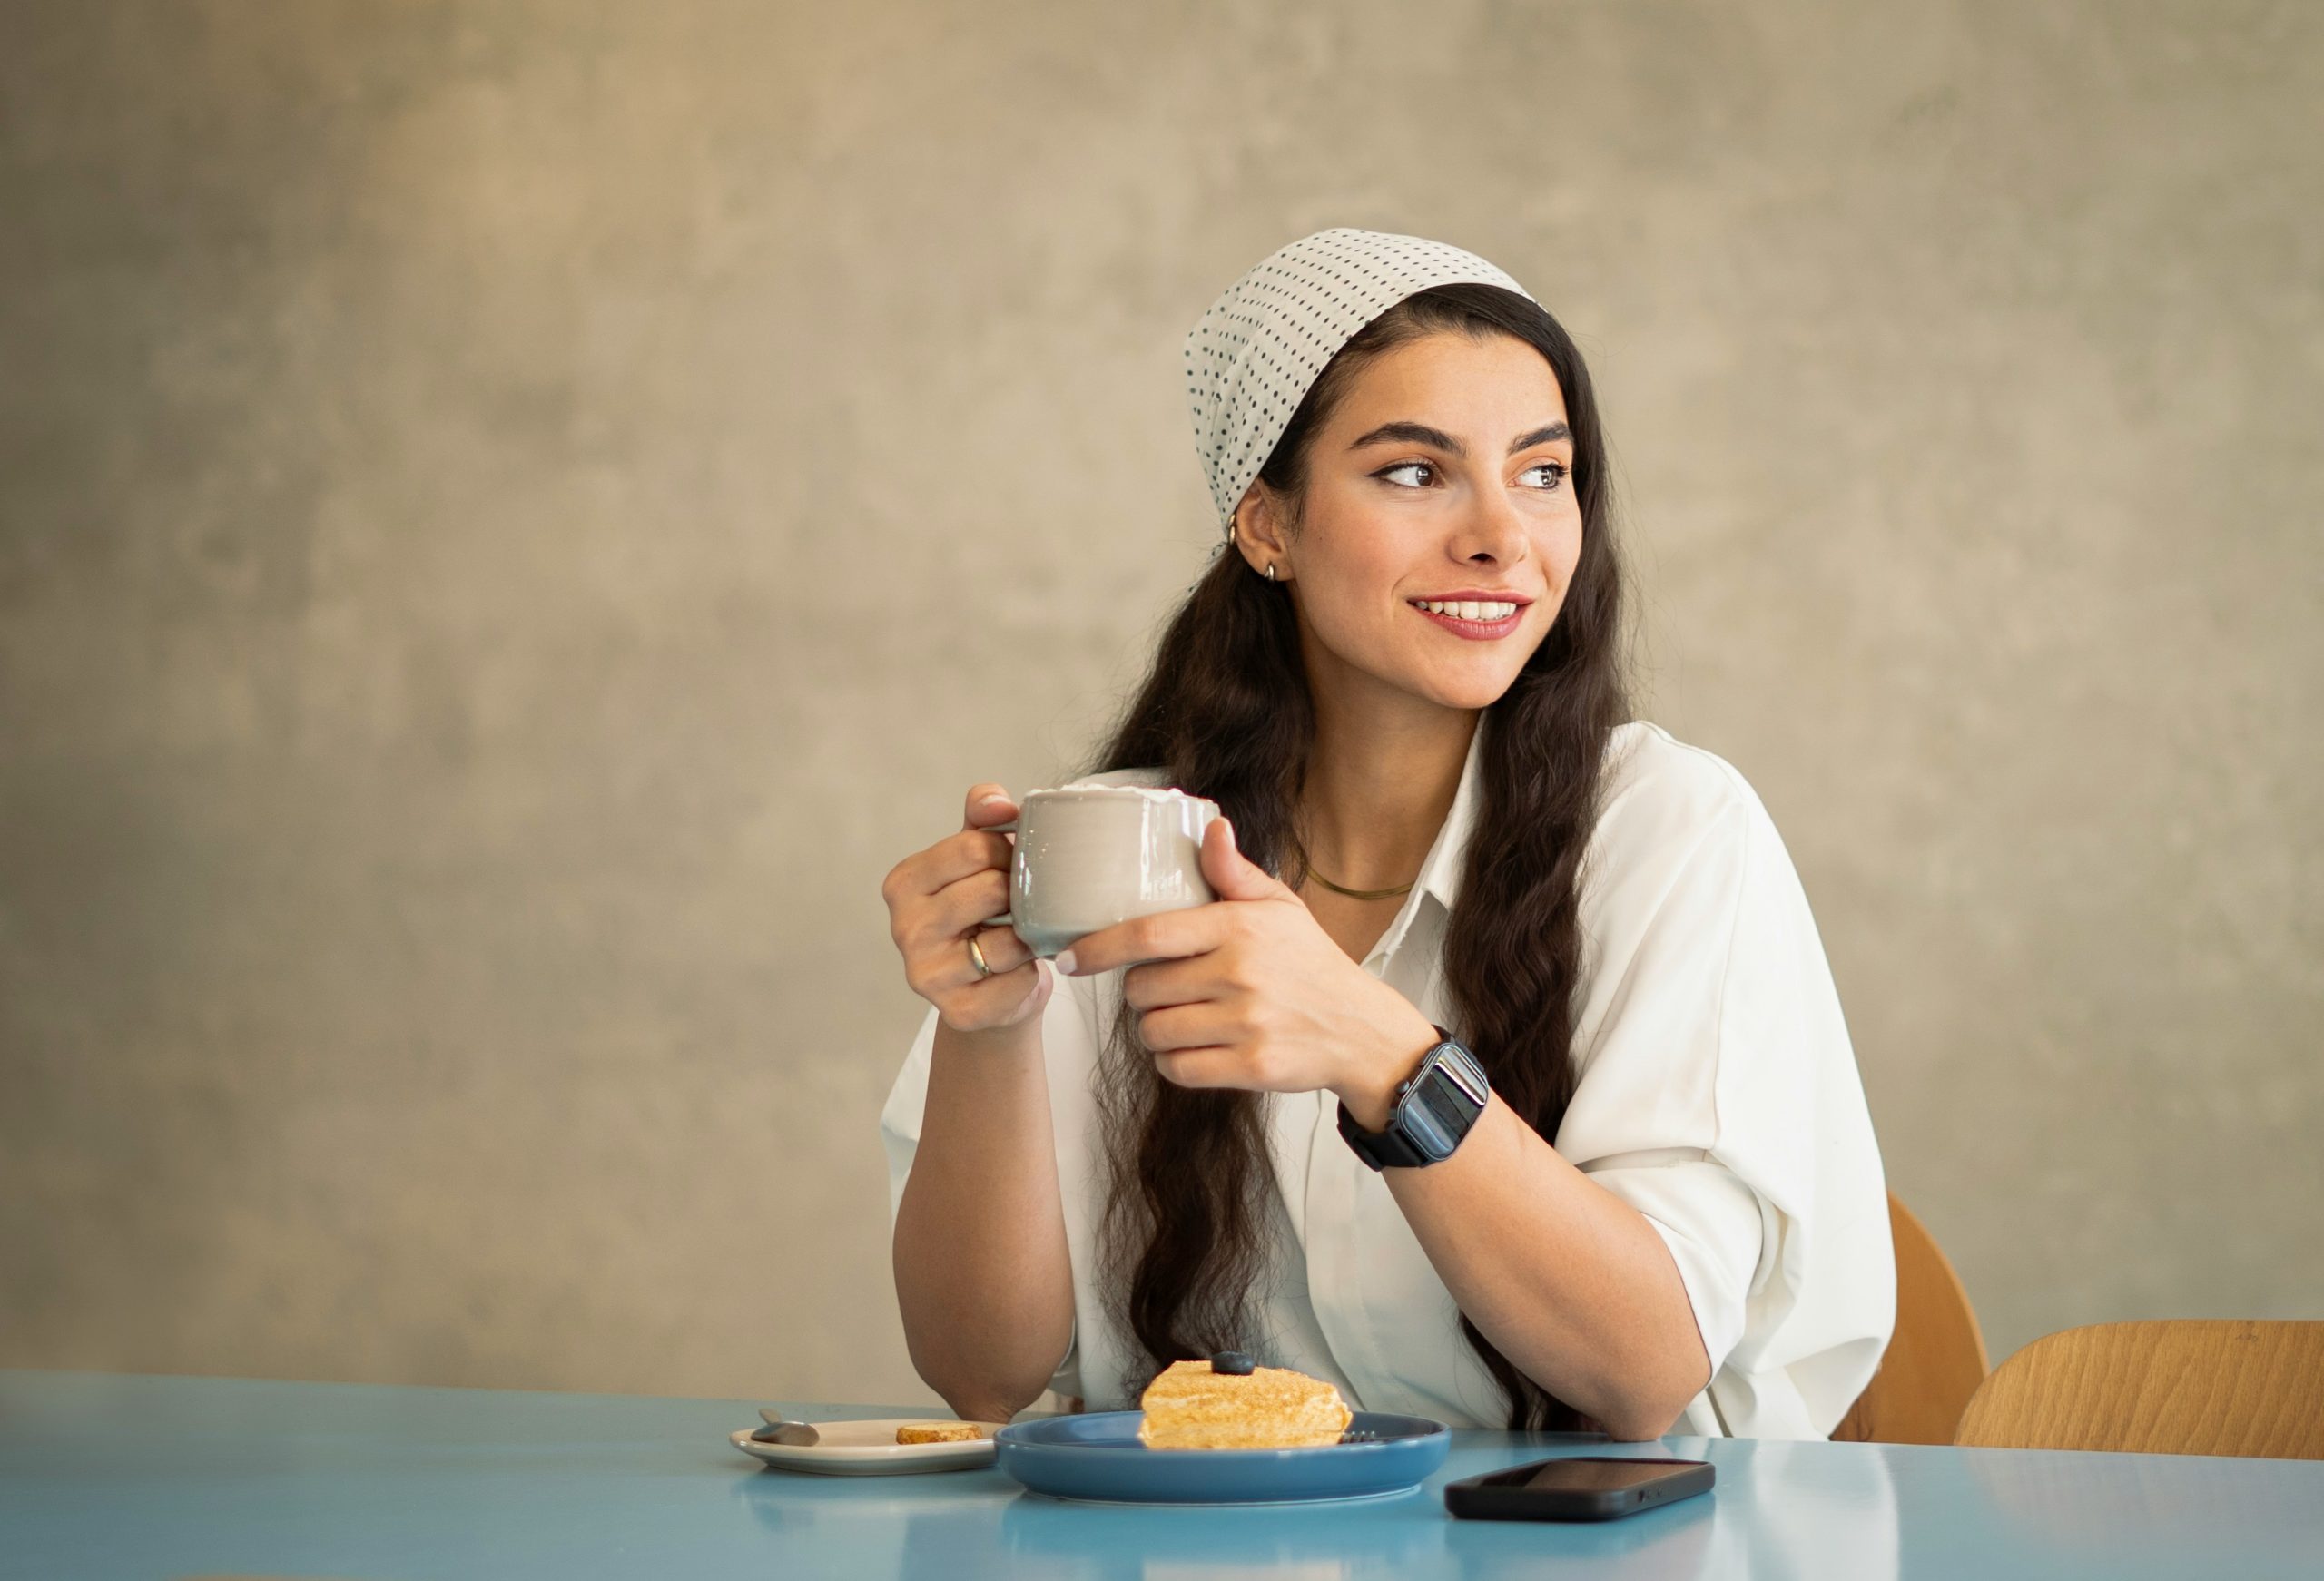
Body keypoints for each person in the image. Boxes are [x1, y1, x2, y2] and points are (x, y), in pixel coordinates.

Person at [877, 228, 1894, 1440]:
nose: (1501, 536)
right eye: (1415, 472)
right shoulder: (1123, 848)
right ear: (1266, 524)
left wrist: (1381, 1051)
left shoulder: (1672, 830)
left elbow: (1645, 1367)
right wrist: (985, 1030)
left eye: (1542, 472)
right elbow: (981, 1374)